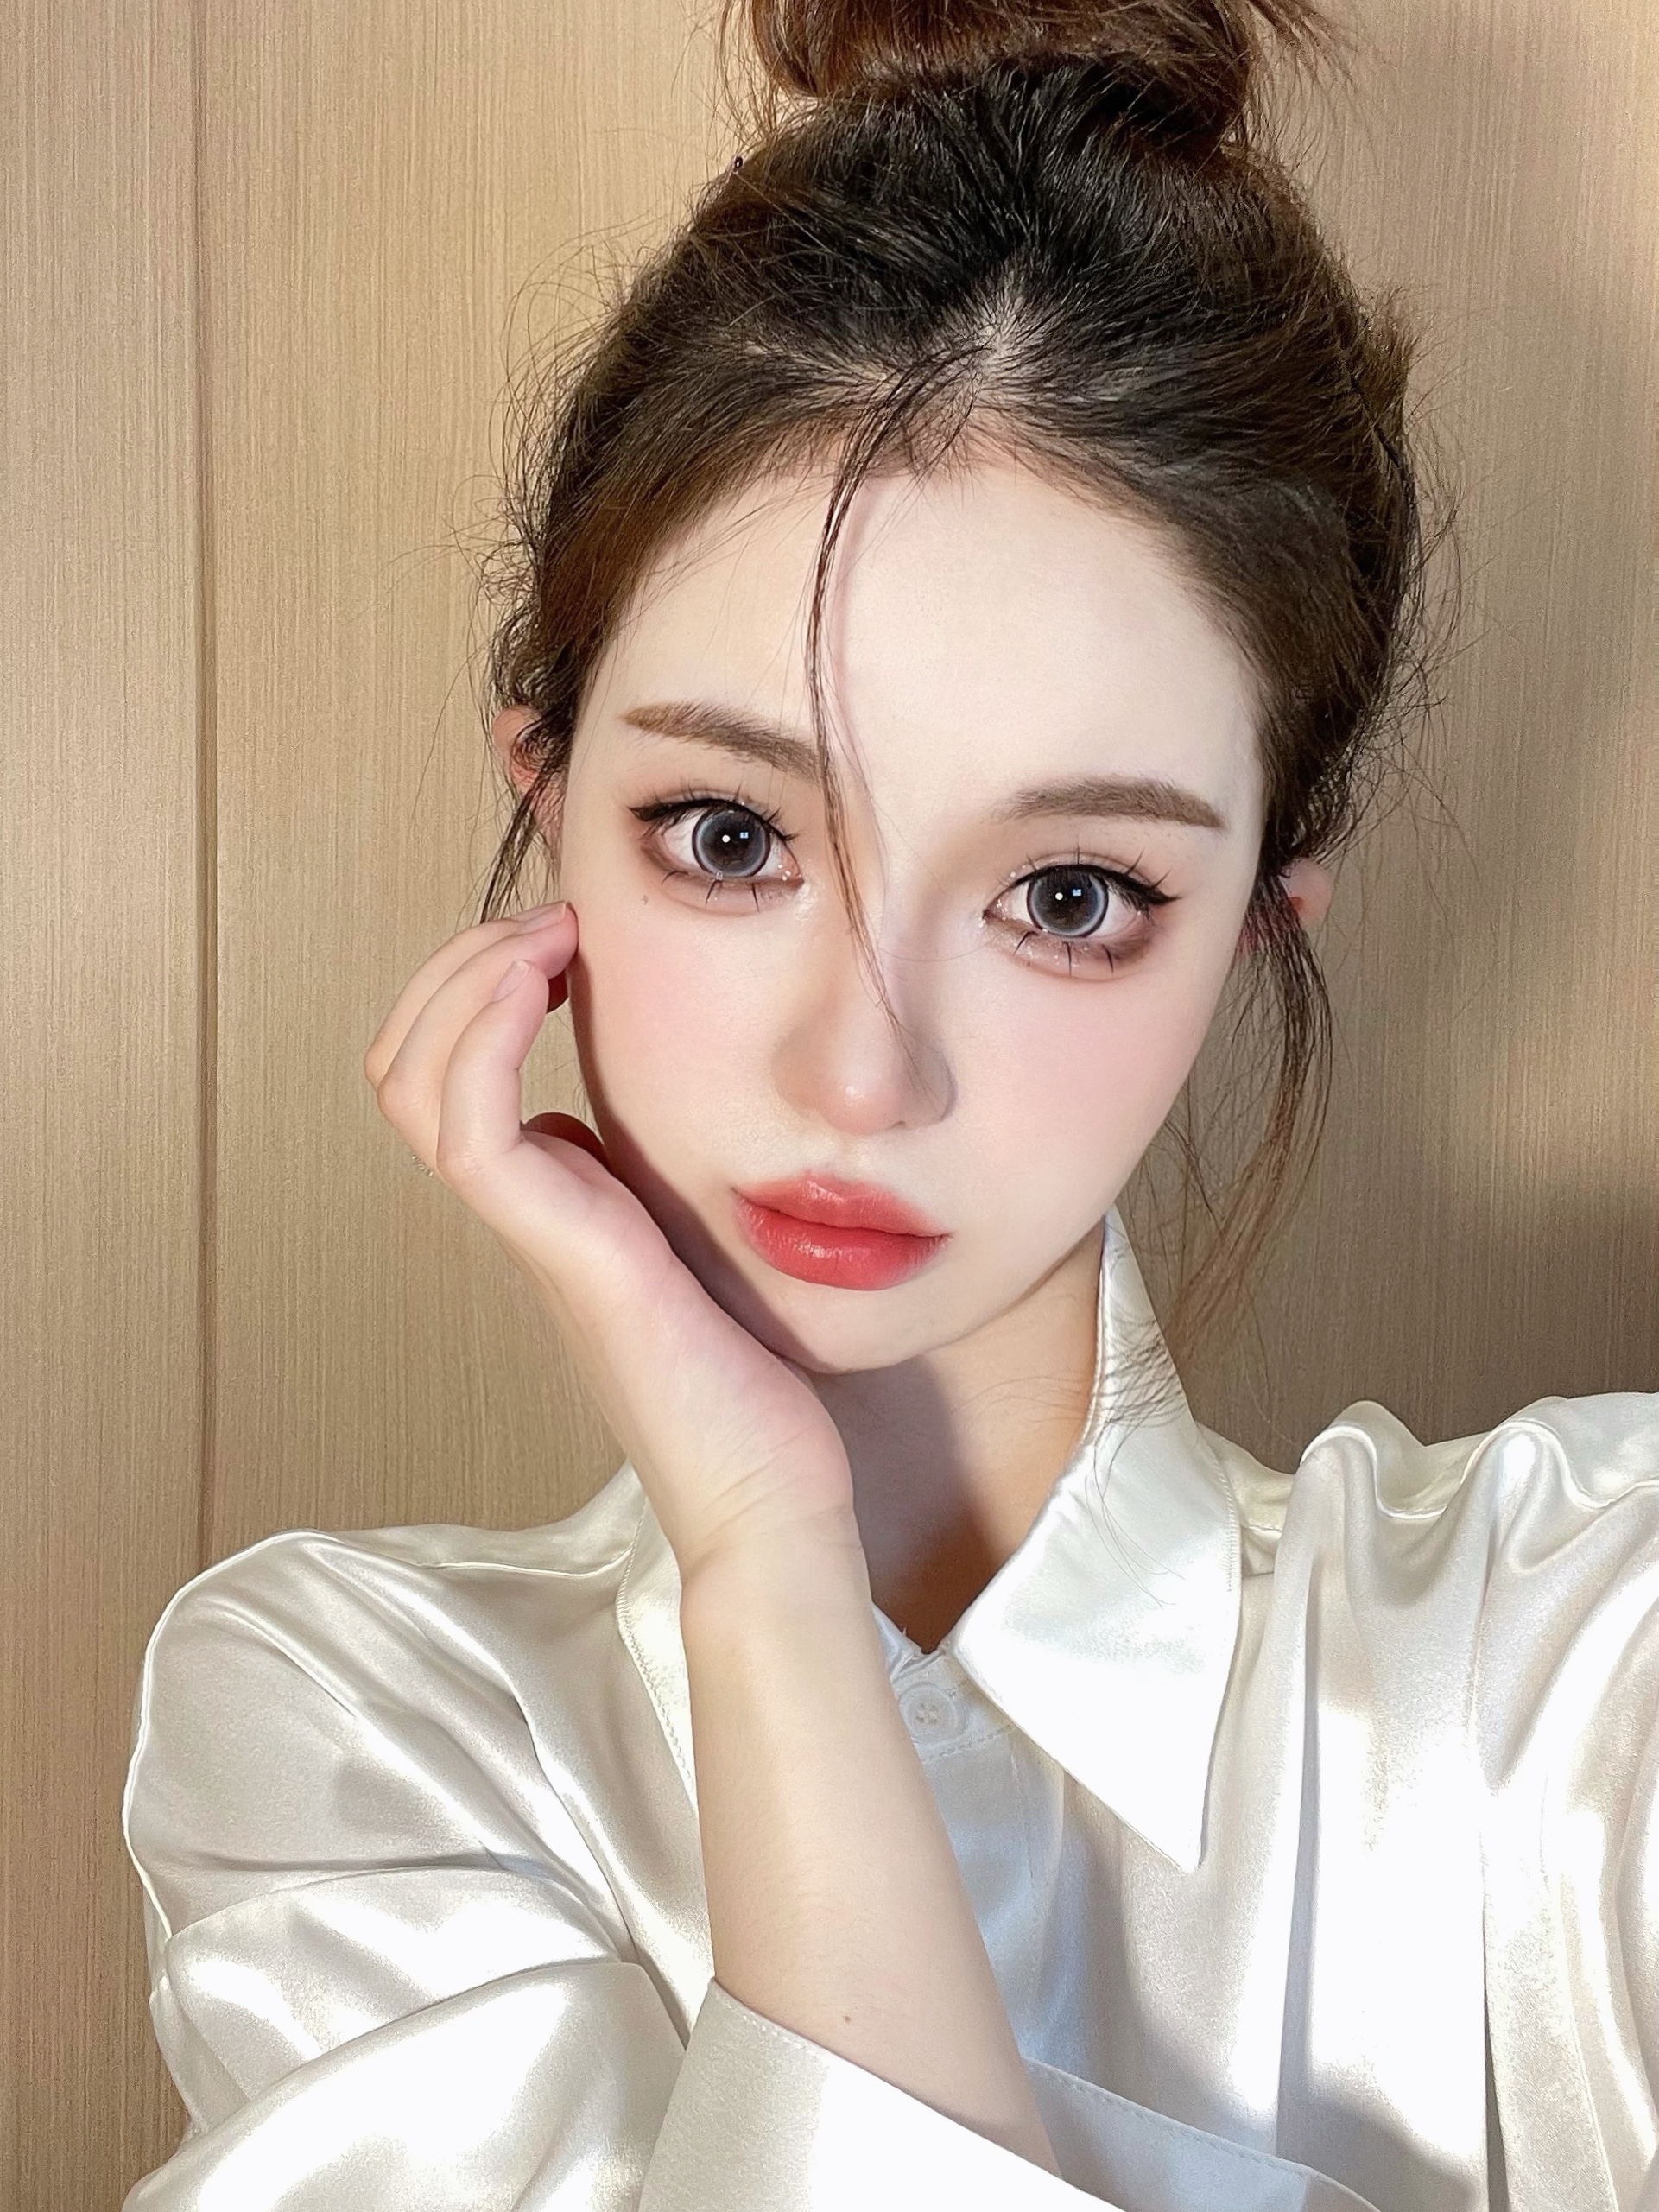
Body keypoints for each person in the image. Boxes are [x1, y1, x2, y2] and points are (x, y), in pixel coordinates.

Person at [120, 2, 1657, 2206]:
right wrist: (763, 1562)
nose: (861, 1070)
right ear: (549, 801)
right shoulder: (367, 1724)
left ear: (1253, 921)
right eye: (731, 838)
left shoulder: (1589, 1638)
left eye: (1069, 895)